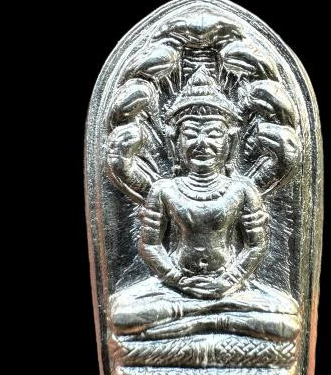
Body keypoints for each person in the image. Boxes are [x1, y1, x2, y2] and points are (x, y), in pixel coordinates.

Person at [109, 67, 300, 342]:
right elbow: (149, 245)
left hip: (230, 288)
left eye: (213, 133)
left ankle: (201, 319)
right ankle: (217, 319)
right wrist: (177, 279)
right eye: (190, 133)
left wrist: (229, 280)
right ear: (175, 142)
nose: (202, 143)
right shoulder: (164, 190)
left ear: (230, 141)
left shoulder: (242, 190)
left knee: (287, 318)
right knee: (121, 314)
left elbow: (256, 245)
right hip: (174, 288)